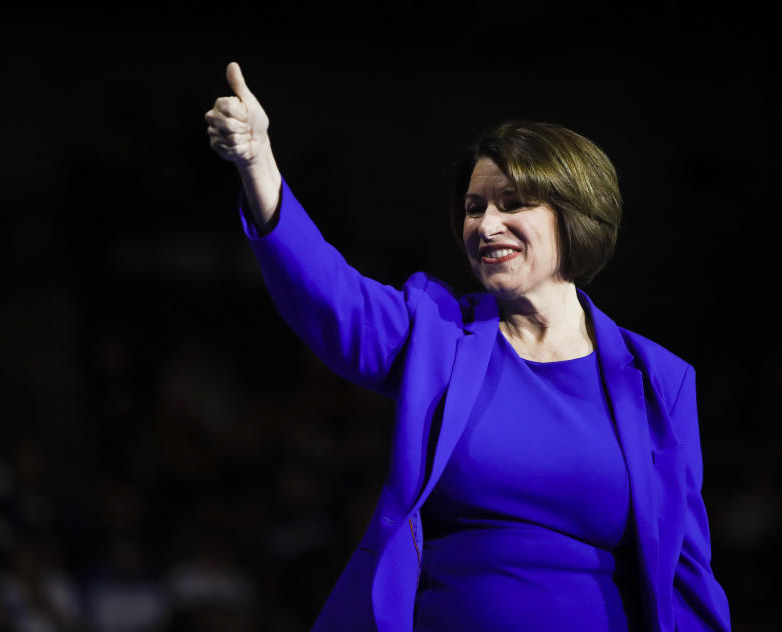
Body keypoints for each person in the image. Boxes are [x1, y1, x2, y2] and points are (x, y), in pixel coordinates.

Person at [205, 61, 731, 632]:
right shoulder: (437, 332)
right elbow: (333, 301)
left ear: (574, 216)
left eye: (511, 203)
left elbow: (685, 572)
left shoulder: (659, 379)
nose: (484, 224)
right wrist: (259, 164)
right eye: (475, 206)